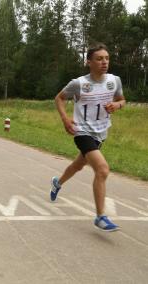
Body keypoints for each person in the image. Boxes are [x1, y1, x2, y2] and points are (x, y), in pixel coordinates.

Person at [51, 43, 125, 232]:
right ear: (89, 62)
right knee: (102, 169)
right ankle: (101, 217)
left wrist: (117, 105)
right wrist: (65, 119)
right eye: (99, 59)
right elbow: (59, 98)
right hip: (82, 131)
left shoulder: (114, 80)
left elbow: (121, 100)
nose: (104, 62)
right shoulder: (78, 83)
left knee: (78, 165)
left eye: (107, 58)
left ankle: (57, 183)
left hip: (101, 132)